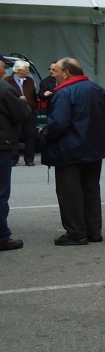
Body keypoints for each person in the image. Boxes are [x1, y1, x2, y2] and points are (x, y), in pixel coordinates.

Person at [40, 57, 105, 247]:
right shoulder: (97, 89)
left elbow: (58, 124)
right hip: (94, 148)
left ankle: (76, 233)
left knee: (70, 193)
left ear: (66, 73)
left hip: (69, 151)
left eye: (56, 71)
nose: (53, 75)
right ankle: (93, 231)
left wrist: (42, 135)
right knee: (91, 189)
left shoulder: (63, 93)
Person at [0, 65, 32, 250]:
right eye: (3, 67)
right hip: (2, 145)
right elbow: (21, 113)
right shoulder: (4, 88)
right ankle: (2, 236)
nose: (5, 71)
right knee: (1, 192)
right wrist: (22, 102)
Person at [5, 60, 39, 166]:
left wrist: (34, 107)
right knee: (15, 135)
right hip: (15, 112)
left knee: (31, 135)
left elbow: (34, 95)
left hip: (30, 111)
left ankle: (29, 159)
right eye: (26, 69)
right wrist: (18, 99)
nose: (28, 71)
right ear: (19, 70)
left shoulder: (30, 80)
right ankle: (13, 158)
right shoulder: (7, 81)